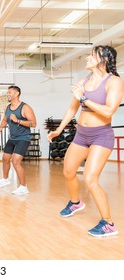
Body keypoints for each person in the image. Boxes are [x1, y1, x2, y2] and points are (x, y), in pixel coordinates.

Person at [47, 45, 124, 237]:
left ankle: (108, 223)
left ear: (104, 59)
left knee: (90, 179)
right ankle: (75, 203)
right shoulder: (84, 81)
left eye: (92, 55)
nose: (87, 58)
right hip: (81, 134)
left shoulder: (114, 82)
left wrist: (83, 98)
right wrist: (58, 130)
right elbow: (73, 109)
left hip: (101, 135)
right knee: (68, 171)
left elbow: (108, 111)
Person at [0, 85, 36, 194]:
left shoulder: (25, 107)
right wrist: (0, 127)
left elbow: (33, 123)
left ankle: (23, 187)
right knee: (5, 158)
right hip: (12, 138)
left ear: (16, 94)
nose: (7, 94)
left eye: (9, 92)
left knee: (16, 161)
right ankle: (5, 179)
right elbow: (5, 120)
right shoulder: (7, 108)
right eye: (7, 93)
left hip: (23, 138)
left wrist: (18, 120)